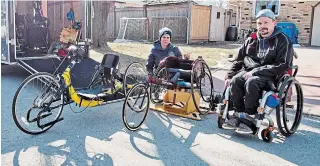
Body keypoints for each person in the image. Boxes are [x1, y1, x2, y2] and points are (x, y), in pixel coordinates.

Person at [223, 9, 294, 133]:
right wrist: (229, 76)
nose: (262, 26)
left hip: (271, 75)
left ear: (274, 23)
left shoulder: (283, 40)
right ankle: (239, 115)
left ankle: (250, 118)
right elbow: (239, 60)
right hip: (249, 72)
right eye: (259, 23)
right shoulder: (251, 39)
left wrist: (256, 72)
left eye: (266, 23)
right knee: (235, 81)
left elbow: (282, 64)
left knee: (252, 82)